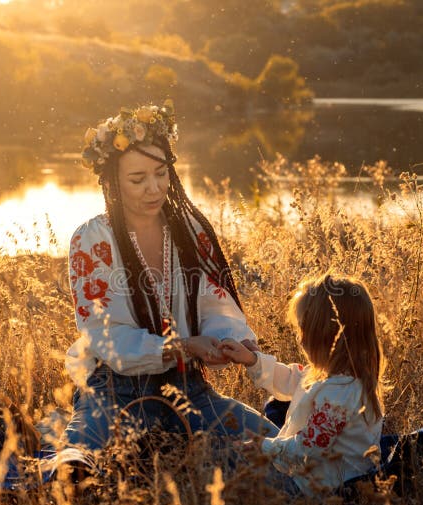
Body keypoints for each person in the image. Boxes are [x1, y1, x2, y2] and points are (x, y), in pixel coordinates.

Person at [64, 101, 278, 451]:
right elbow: (105, 335)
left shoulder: (190, 231)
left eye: (161, 173)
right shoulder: (92, 239)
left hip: (189, 386)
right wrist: (181, 346)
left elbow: (215, 308)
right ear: (113, 182)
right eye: (138, 179)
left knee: (277, 446)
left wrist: (227, 341)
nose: (154, 188)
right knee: (81, 458)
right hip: (115, 389)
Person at [219, 274, 387, 496]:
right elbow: (290, 378)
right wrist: (253, 360)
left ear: (324, 336)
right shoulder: (331, 376)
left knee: (231, 468)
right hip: (310, 477)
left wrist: (264, 447)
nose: (299, 339)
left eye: (302, 330)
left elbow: (308, 448)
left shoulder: (340, 392)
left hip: (323, 490)